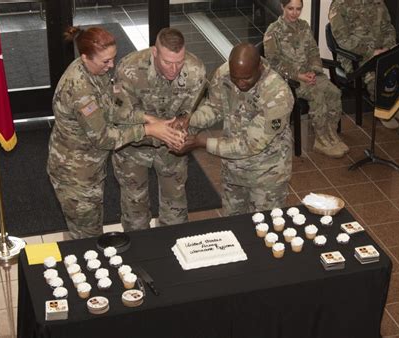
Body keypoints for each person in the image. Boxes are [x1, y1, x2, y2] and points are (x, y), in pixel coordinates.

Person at [47, 26, 184, 239]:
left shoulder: (93, 70)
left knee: (93, 226)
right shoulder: (80, 91)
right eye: (105, 61)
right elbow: (104, 138)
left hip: (90, 167)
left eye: (113, 58)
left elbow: (111, 108)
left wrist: (146, 118)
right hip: (75, 173)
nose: (111, 65)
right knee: (87, 238)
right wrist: (148, 129)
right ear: (85, 57)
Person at [177, 43, 294, 215]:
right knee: (232, 226)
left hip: (266, 175)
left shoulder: (277, 95)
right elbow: (215, 108)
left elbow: (249, 145)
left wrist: (201, 142)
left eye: (246, 78)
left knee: (264, 229)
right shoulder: (225, 73)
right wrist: (189, 121)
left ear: (259, 67)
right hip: (233, 170)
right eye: (235, 78)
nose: (240, 83)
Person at [112, 27, 206, 231]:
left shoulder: (195, 70)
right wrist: (152, 127)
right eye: (167, 62)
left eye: (179, 63)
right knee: (134, 211)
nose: (173, 69)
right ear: (154, 52)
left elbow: (195, 110)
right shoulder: (130, 68)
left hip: (171, 149)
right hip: (134, 147)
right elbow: (118, 114)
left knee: (175, 212)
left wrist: (185, 128)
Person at [263, 0, 349, 158]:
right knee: (317, 96)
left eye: (298, 9)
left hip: (310, 74)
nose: (294, 13)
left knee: (334, 92)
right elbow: (274, 64)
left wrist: (314, 71)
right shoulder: (273, 31)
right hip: (290, 80)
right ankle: (321, 140)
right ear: (283, 7)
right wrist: (298, 75)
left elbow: (313, 52)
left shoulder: (304, 26)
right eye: (290, 9)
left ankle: (331, 134)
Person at [329, 0, 399, 129]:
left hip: (382, 50)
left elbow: (388, 27)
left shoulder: (377, 1)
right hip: (356, 56)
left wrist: (387, 47)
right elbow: (343, 39)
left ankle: (396, 106)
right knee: (376, 74)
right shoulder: (339, 4)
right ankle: (384, 111)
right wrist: (371, 52)